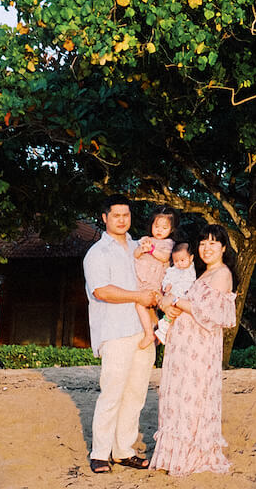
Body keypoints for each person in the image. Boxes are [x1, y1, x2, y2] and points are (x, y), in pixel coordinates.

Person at [83, 195, 162, 474]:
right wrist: (138, 296)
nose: (121, 220)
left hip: (143, 330)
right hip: (114, 331)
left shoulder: (139, 247)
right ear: (104, 218)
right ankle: (100, 453)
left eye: (126, 215)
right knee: (112, 393)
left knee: (136, 394)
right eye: (116, 215)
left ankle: (124, 450)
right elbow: (101, 291)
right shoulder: (97, 253)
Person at [151, 226, 238, 475]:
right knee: (178, 397)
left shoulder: (222, 274)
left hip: (199, 349)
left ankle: (190, 456)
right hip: (183, 346)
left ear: (223, 248)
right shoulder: (201, 274)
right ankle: (173, 456)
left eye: (213, 243)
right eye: (202, 243)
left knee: (193, 398)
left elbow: (208, 312)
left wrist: (176, 301)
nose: (206, 248)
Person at [134, 209, 177, 349]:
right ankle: (156, 332)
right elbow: (135, 255)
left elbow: (165, 257)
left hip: (155, 283)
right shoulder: (146, 239)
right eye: (156, 226)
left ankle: (151, 334)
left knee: (144, 305)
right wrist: (142, 249)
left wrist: (151, 250)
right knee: (147, 308)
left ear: (171, 229)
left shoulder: (169, 243)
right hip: (142, 281)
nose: (159, 230)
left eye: (164, 228)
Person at [153, 241, 197, 347]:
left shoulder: (191, 271)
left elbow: (189, 285)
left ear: (191, 258)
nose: (179, 264)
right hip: (171, 295)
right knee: (169, 312)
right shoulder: (172, 270)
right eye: (176, 261)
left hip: (182, 297)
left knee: (173, 313)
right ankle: (163, 330)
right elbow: (166, 279)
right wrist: (166, 286)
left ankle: (163, 330)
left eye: (182, 260)